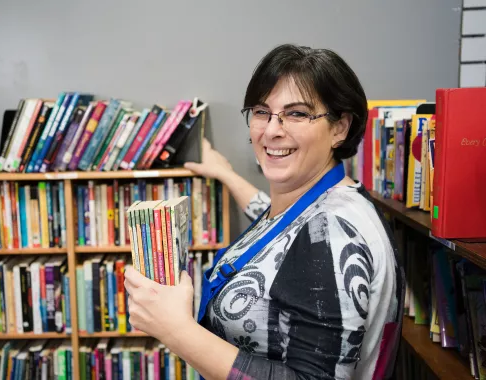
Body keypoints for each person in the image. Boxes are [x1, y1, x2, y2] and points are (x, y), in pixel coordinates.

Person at [124, 43, 405, 380]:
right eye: (261, 111)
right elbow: (279, 236)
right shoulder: (327, 200)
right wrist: (227, 174)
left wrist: (176, 332)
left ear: (340, 127)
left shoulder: (331, 232)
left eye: (297, 113)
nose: (271, 130)